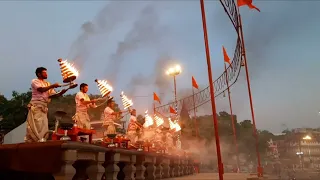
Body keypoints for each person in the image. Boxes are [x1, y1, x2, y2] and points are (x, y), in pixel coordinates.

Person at [25, 67, 68, 142]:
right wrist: (53, 86)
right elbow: (41, 89)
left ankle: (42, 140)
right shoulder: (35, 81)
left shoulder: (47, 83)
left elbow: (53, 95)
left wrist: (62, 92)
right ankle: (35, 141)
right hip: (36, 106)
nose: (46, 74)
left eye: (46, 72)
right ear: (39, 74)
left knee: (44, 126)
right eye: (44, 72)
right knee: (37, 126)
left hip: (44, 107)